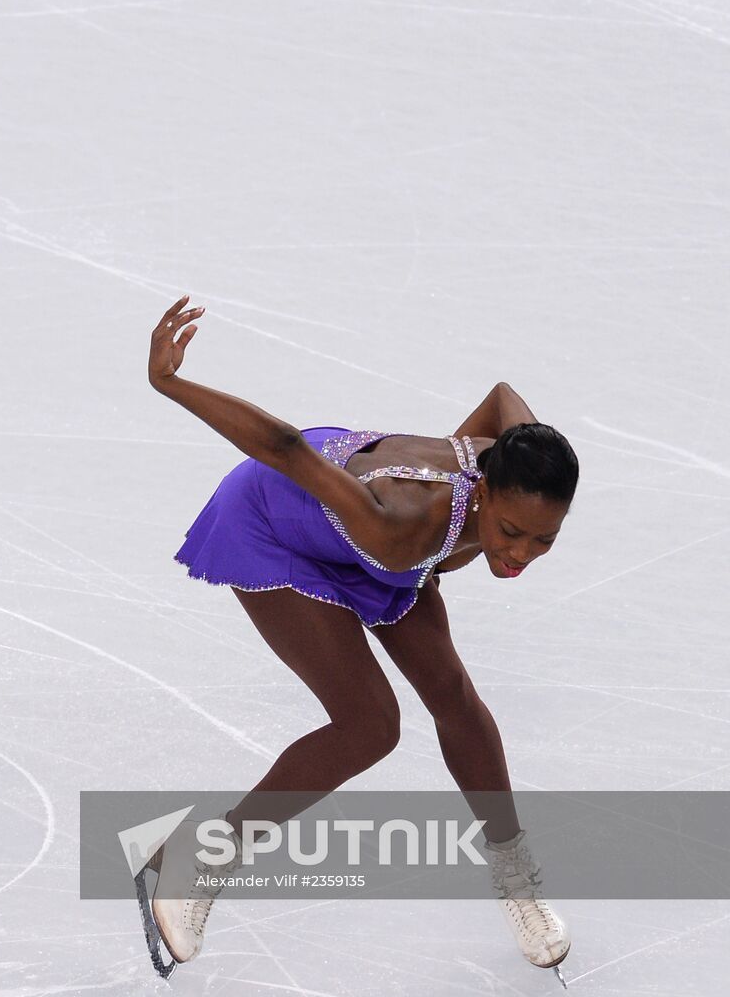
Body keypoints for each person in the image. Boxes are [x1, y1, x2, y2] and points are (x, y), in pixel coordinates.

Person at [139, 295, 578, 981]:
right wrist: (171, 383)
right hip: (274, 523)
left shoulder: (517, 459)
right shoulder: (401, 525)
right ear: (485, 495)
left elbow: (500, 397)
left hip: (384, 544)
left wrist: (451, 537)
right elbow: (282, 448)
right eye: (511, 533)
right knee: (370, 724)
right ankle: (199, 859)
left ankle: (516, 879)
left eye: (544, 539)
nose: (521, 554)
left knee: (453, 696)